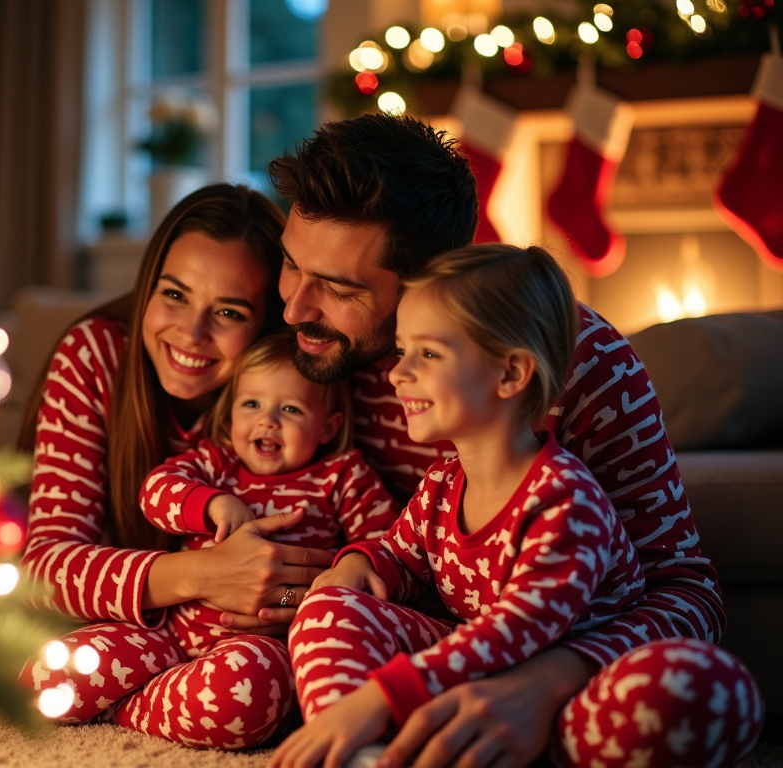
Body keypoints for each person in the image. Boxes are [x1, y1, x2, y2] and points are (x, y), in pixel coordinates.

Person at [266, 115, 763, 767]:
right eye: (291, 265)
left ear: (433, 280)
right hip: (429, 652)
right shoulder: (313, 352)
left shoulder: (584, 367)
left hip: (563, 665)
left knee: (699, 691)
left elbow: (688, 593)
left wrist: (540, 683)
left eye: (338, 288)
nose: (293, 308)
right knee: (331, 607)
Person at [274, 244, 652, 767]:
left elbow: (516, 629)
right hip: (472, 669)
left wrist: (384, 695)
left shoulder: (566, 501)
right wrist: (359, 564)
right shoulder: (443, 482)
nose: (397, 373)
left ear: (510, 375)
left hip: (565, 685)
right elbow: (400, 558)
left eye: (427, 354)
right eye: (402, 350)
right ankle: (361, 754)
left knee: (683, 693)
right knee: (327, 605)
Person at [17, 184, 334, 750]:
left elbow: (378, 547)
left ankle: (143, 703)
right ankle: (151, 702)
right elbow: (42, 568)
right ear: (147, 290)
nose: (191, 334)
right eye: (175, 295)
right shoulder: (95, 357)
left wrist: (294, 599)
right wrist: (208, 574)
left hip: (250, 646)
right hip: (148, 632)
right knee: (44, 677)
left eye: (229, 312)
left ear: (266, 331)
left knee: (248, 693)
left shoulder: (293, 409)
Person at [139, 333, 399, 659]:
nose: (267, 420)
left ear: (327, 428)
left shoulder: (341, 475)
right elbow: (154, 491)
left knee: (246, 676)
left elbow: (389, 542)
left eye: (290, 408)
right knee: (84, 662)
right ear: (231, 410)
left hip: (269, 646)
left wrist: (334, 576)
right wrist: (211, 503)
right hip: (173, 634)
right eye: (251, 404)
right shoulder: (216, 463)